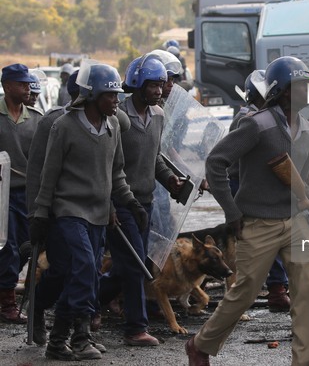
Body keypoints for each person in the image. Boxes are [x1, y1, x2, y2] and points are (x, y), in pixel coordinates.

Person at [186, 56, 309, 366]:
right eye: (302, 86)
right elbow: (216, 163)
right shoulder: (256, 125)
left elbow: (305, 178)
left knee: (308, 293)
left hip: (297, 222)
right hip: (257, 222)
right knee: (244, 292)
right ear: (284, 92)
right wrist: (232, 212)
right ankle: (200, 344)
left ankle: (307, 362)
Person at [29, 61, 148, 361]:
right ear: (93, 96)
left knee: (88, 276)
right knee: (82, 267)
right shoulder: (63, 126)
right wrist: (40, 214)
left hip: (98, 214)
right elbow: (48, 174)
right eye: (111, 96)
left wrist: (130, 203)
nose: (117, 101)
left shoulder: (112, 127)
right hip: (69, 211)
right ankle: (80, 337)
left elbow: (116, 174)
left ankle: (59, 339)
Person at [99, 55, 184, 346]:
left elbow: (155, 158)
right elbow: (108, 163)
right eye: (152, 85)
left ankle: (83, 306)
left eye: (161, 85)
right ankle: (136, 328)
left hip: (145, 204)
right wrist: (111, 204)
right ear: (136, 84)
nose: (159, 91)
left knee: (126, 266)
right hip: (121, 204)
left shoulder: (159, 116)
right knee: (135, 265)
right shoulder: (117, 117)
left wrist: (171, 180)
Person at [231, 70, 292, 312]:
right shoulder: (248, 119)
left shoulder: (271, 118)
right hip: (244, 182)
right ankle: (274, 289)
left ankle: (278, 287)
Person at [0, 64, 41, 324]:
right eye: (22, 83)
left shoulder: (36, 119)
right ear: (7, 86)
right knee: (9, 248)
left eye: (29, 83)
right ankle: (7, 304)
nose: (28, 87)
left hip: (27, 194)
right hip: (2, 193)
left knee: (26, 247)